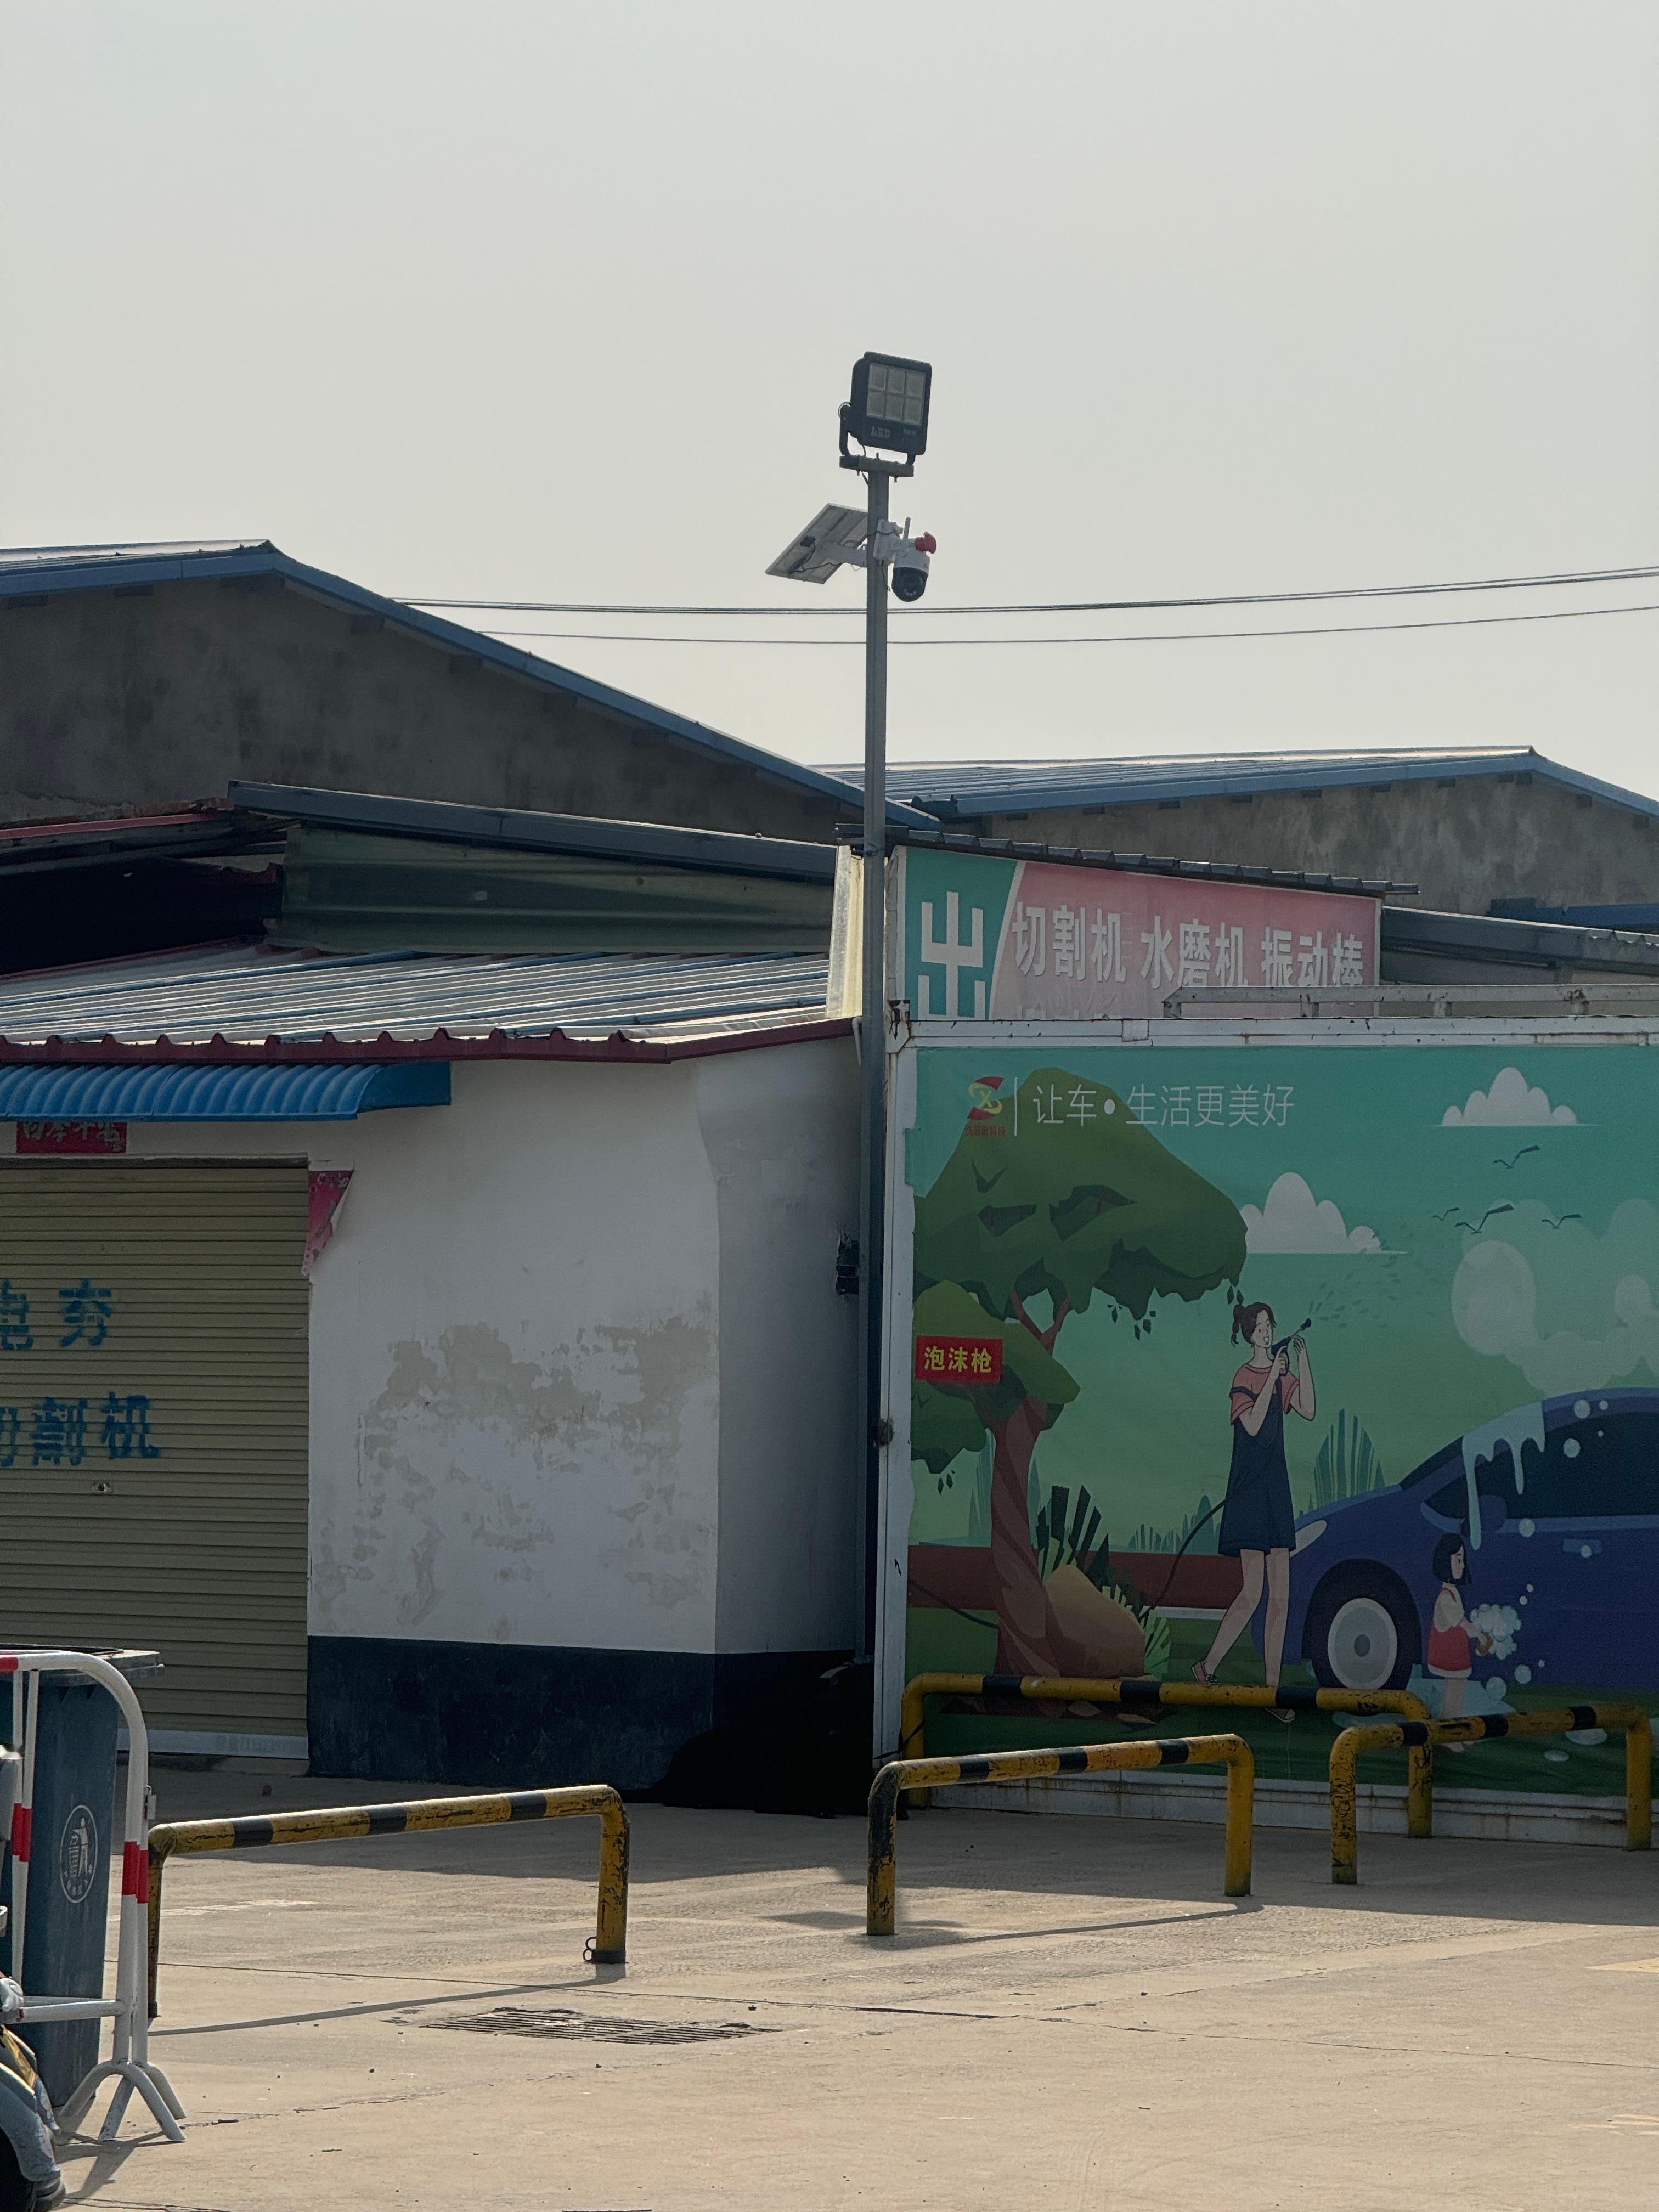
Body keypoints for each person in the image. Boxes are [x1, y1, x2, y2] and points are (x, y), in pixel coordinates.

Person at [1193, 1301, 1315, 1717]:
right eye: (1260, 1327)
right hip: (1249, 1492)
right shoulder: (1244, 1377)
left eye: (1270, 1326)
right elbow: (1252, 1424)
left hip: (1276, 1490)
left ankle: (1271, 1693)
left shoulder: (1281, 1375)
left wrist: (1302, 1362)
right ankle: (1207, 1666)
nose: (1267, 1332)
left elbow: (1309, 1410)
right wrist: (1272, 1380)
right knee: (1253, 1592)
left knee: (1280, 1596)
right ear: (1249, 1334)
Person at [1426, 1533, 1492, 1747]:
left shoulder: (1452, 1591)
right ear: (1446, 1562)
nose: (1462, 1565)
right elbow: (1462, 1623)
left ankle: (1455, 1730)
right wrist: (1480, 1636)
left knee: (1457, 1692)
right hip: (1448, 1656)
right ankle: (1448, 1735)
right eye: (1458, 1560)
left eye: (1463, 1560)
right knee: (1453, 1695)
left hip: (1456, 1655)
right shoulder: (1446, 1597)